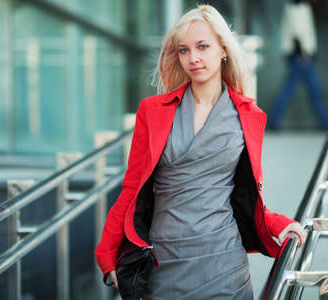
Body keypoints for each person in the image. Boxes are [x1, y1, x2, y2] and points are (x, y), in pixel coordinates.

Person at [95, 5, 307, 299]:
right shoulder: (152, 112)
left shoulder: (248, 115)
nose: (193, 58)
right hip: (163, 263)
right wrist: (107, 255)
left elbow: (243, 193)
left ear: (223, 49)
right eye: (184, 50)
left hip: (224, 264)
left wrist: (277, 224)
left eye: (202, 46)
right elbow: (132, 188)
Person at [268, 0, 328, 131]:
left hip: (303, 55)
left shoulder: (303, 7)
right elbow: (297, 33)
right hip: (301, 56)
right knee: (311, 92)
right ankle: (326, 124)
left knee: (294, 90)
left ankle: (273, 121)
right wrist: (303, 53)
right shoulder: (294, 8)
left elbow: (307, 32)